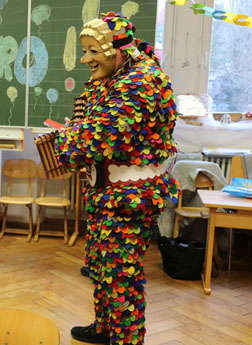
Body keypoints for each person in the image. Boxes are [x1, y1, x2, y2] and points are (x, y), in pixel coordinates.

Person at [55, 12, 179, 345]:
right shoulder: (115, 78)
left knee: (121, 274)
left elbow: (99, 136)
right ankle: (105, 327)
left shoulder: (140, 81)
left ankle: (125, 340)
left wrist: (66, 141)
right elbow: (91, 121)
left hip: (127, 197)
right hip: (106, 194)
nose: (85, 59)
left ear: (116, 50)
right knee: (101, 266)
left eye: (93, 51)